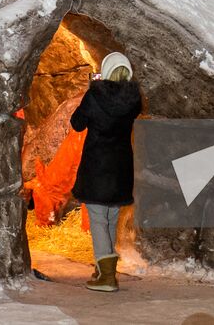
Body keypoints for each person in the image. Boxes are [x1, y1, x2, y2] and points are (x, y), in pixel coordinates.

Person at [69, 51, 142, 293]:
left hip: (98, 166)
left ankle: (107, 277)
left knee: (99, 219)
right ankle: (103, 270)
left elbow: (77, 123)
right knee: (110, 217)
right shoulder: (134, 100)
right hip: (121, 166)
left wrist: (92, 89)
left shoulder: (94, 96)